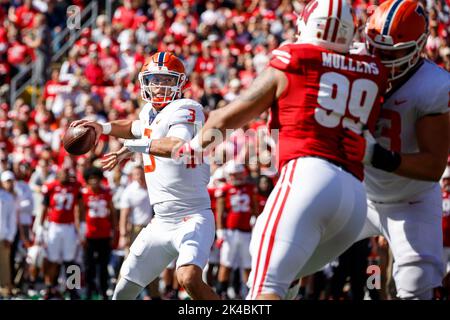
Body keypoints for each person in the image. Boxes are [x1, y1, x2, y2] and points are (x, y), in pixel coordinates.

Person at [178, 0, 388, 299]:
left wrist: (193, 148)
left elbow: (226, 118)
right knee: (288, 282)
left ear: (306, 25)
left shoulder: (294, 57)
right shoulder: (373, 70)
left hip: (308, 178)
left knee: (265, 291)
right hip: (355, 198)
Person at [71, 52, 219, 300]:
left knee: (188, 278)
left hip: (192, 216)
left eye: (166, 80)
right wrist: (103, 127)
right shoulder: (149, 112)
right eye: (154, 79)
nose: (159, 85)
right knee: (123, 291)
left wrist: (133, 146)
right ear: (144, 82)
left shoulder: (186, 107)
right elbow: (133, 127)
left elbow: (176, 145)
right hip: (160, 221)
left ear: (179, 83)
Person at [344, 0, 450, 300]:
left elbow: (433, 166)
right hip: (357, 193)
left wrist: (374, 155)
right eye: (376, 48)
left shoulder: (434, 85)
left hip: (410, 200)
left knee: (417, 286)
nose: (380, 58)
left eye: (392, 53)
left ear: (418, 48)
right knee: (289, 255)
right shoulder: (352, 60)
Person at [215, 160, 259, 299]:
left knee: (248, 264)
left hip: (247, 231)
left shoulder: (251, 188)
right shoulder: (225, 189)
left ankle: (248, 292)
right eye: (234, 174)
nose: (236, 177)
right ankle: (221, 292)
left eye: (239, 174)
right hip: (230, 232)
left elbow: (255, 208)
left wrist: (256, 221)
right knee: (226, 263)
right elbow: (220, 213)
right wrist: (220, 232)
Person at [38, 165, 83, 300]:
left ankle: (72, 289)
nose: (64, 176)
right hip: (54, 226)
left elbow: (80, 207)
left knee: (71, 260)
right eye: (61, 173)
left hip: (69, 227)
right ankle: (50, 287)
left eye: (66, 173)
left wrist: (82, 225)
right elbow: (44, 207)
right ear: (57, 175)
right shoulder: (51, 186)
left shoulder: (75, 187)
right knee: (52, 259)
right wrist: (40, 226)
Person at [79, 167, 116, 300]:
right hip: (89, 235)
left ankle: (103, 291)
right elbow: (80, 214)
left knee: (103, 265)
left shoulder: (106, 193)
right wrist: (81, 233)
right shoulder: (84, 194)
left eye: (96, 178)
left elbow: (112, 213)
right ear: (87, 181)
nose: (94, 181)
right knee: (89, 266)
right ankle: (89, 291)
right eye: (91, 179)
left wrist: (113, 231)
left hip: (104, 234)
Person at [0, 171, 17, 298]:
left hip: (2, 236)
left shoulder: (8, 197)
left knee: (4, 265)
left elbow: (12, 219)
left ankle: (5, 289)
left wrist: (10, 237)